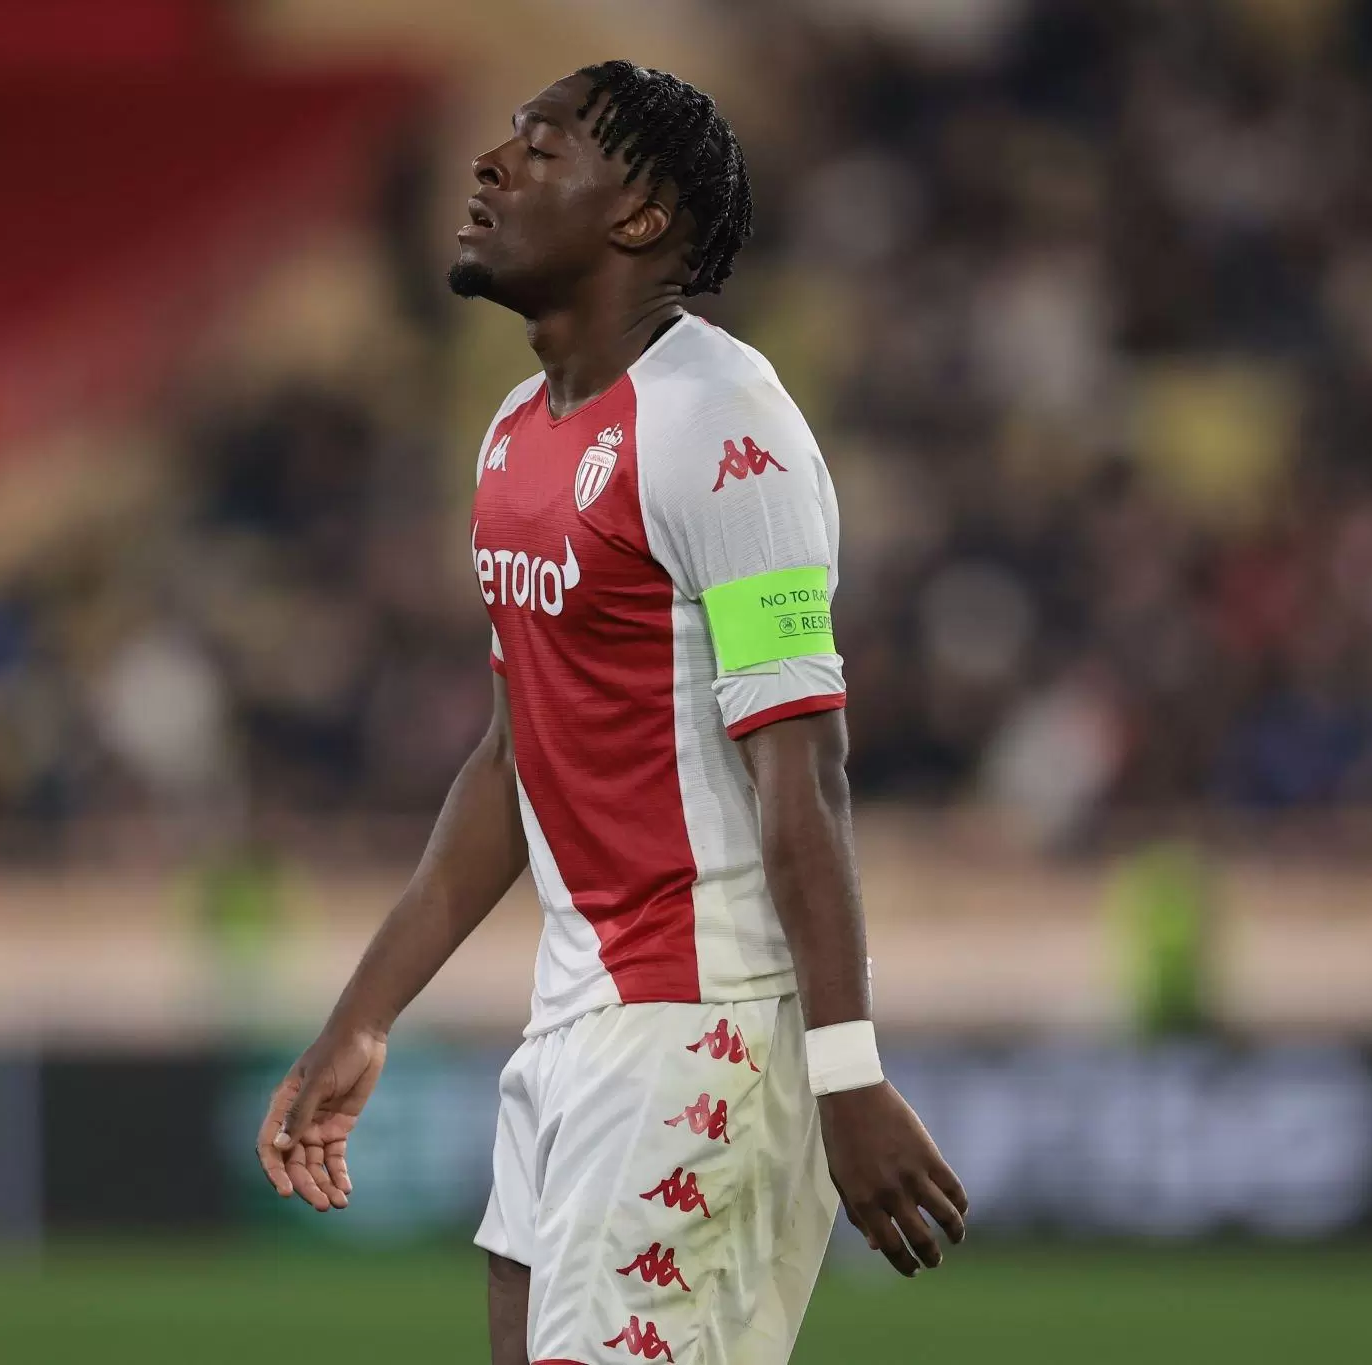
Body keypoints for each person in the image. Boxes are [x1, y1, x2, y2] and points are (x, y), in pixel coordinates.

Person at [255, 59, 966, 1365]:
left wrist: (845, 1069)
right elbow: (510, 758)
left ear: (640, 216)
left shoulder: (725, 430)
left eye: (541, 151)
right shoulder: (514, 436)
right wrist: (366, 1012)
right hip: (572, 1026)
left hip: (704, 1028)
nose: (491, 166)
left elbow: (804, 775)